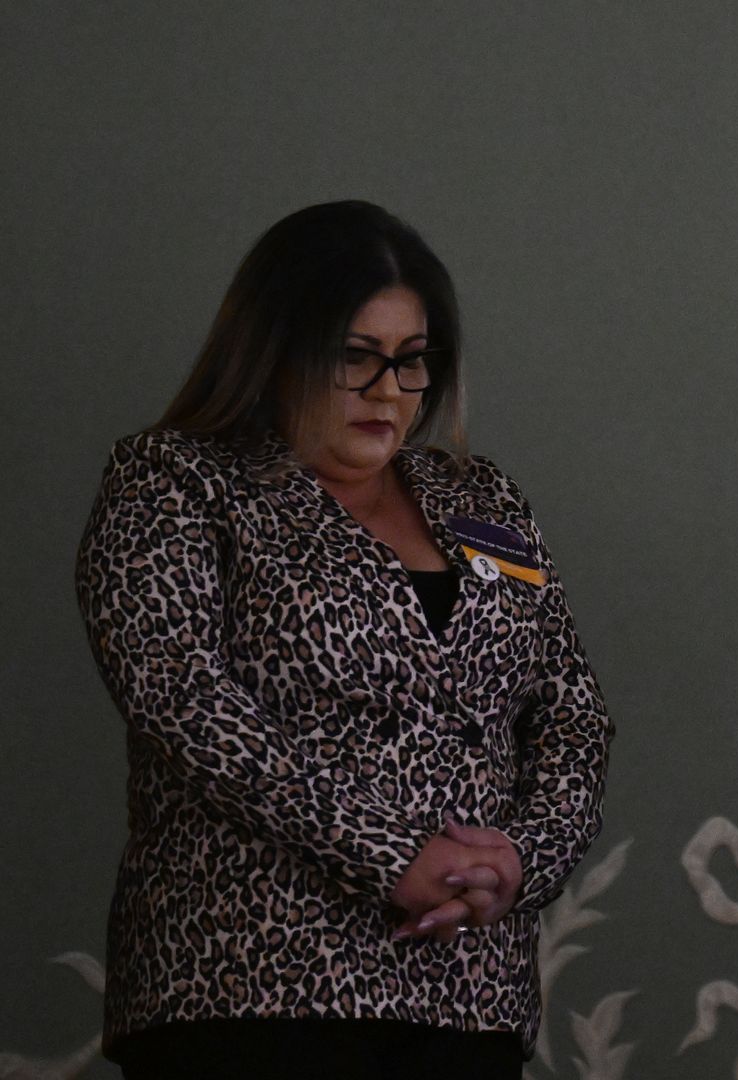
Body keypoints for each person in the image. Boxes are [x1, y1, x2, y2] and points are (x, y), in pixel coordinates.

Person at [75, 201, 612, 1079]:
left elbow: (572, 715)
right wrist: (392, 852)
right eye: (354, 358)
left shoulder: (484, 504)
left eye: (411, 363)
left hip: (467, 991)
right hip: (254, 983)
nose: (388, 392)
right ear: (275, 348)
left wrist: (520, 858)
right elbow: (182, 701)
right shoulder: (175, 482)